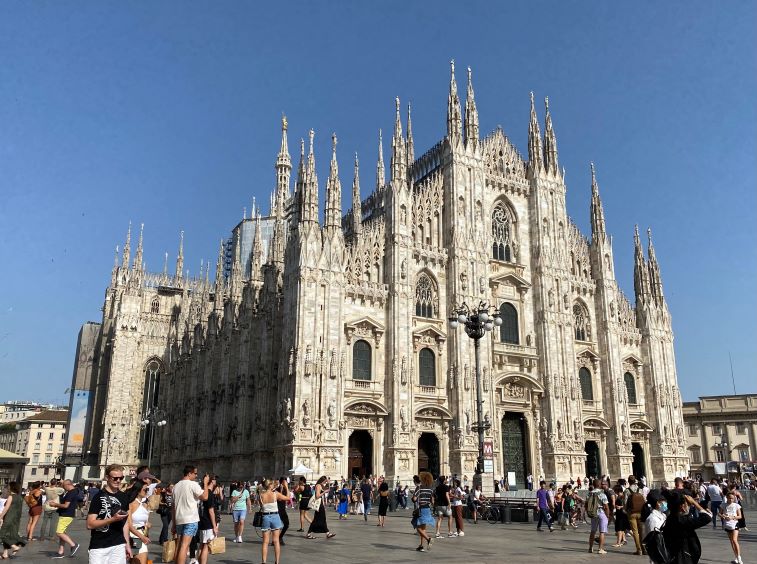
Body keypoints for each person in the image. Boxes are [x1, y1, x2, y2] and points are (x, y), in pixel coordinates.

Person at [86, 464, 132, 564]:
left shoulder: (124, 497)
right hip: (99, 546)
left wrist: (127, 544)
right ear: (107, 477)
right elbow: (90, 524)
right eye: (115, 478)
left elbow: (125, 524)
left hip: (118, 545)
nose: (118, 481)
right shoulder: (98, 497)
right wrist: (112, 519)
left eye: (121, 478)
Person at [171, 465, 210, 564]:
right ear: (189, 473)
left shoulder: (176, 486)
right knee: (185, 546)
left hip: (179, 519)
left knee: (180, 545)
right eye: (195, 473)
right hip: (190, 520)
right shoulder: (193, 485)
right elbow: (205, 497)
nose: (196, 476)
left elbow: (173, 508)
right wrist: (205, 483)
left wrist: (174, 524)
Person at [661, 491, 711, 564]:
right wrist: (695, 503)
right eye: (687, 504)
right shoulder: (682, 521)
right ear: (682, 506)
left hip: (675, 556)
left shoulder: (671, 518)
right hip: (683, 558)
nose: (689, 506)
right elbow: (707, 518)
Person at [48, 479, 81, 559]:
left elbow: (66, 505)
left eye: (63, 486)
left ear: (68, 485)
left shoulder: (71, 493)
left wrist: (55, 504)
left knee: (59, 532)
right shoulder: (74, 491)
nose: (63, 488)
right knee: (62, 533)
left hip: (66, 515)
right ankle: (61, 552)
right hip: (66, 514)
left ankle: (73, 545)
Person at [258, 479, 289, 564]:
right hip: (275, 516)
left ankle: (264, 561)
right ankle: (277, 562)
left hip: (265, 517)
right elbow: (288, 498)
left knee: (265, 542)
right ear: (271, 485)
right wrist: (286, 487)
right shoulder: (276, 494)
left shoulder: (261, 495)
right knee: (276, 541)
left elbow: (261, 506)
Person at [125, 479, 151, 564]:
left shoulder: (145, 504)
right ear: (138, 490)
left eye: (148, 489)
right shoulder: (131, 504)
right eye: (145, 489)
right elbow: (129, 525)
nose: (147, 491)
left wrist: (147, 526)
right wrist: (142, 537)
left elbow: (145, 522)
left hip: (143, 535)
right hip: (133, 536)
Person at [0, 482, 26, 559]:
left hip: (8, 518)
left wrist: (0, 517)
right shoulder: (20, 497)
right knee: (9, 535)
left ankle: (14, 546)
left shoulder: (11, 497)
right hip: (16, 519)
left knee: (2, 534)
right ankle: (5, 553)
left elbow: (6, 508)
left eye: (8, 487)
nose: (7, 488)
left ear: (11, 487)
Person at [197, 475, 218, 564]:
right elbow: (211, 511)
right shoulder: (210, 494)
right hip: (207, 522)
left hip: (201, 521)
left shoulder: (203, 492)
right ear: (212, 481)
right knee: (205, 546)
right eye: (215, 479)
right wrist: (214, 526)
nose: (216, 481)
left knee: (202, 545)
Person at [412, 471, 436, 552]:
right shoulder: (430, 489)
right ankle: (421, 546)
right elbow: (432, 501)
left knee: (417, 527)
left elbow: (415, 499)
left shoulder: (419, 488)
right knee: (423, 528)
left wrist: (413, 498)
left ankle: (428, 539)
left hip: (421, 509)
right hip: (427, 509)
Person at [624, 475, 647, 556]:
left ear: (628, 481)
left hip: (632, 513)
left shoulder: (627, 491)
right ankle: (644, 549)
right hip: (641, 512)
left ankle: (639, 550)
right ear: (635, 481)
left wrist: (627, 511)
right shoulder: (640, 489)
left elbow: (625, 503)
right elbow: (644, 500)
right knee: (642, 531)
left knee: (635, 531)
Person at [587, 478, 609, 555]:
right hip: (601, 513)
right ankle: (600, 549)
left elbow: (587, 504)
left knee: (593, 531)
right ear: (599, 485)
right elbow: (606, 506)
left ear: (593, 485)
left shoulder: (589, 493)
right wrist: (608, 515)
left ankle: (590, 548)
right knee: (602, 532)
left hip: (593, 514)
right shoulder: (602, 494)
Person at [719, 492, 743, 564]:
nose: (731, 499)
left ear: (734, 498)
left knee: (734, 540)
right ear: (726, 497)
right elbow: (719, 514)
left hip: (735, 523)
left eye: (732, 498)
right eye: (729, 498)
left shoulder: (736, 505)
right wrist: (723, 516)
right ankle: (736, 557)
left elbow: (740, 516)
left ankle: (739, 557)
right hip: (727, 524)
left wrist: (732, 517)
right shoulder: (723, 505)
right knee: (732, 542)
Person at [275, 477, 290, 544]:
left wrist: (286, 487)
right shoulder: (277, 490)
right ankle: (275, 540)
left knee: (286, 524)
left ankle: (279, 537)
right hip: (277, 510)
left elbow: (288, 498)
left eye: (286, 482)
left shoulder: (286, 489)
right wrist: (281, 489)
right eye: (284, 482)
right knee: (277, 526)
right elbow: (280, 499)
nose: (285, 483)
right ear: (281, 482)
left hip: (283, 510)